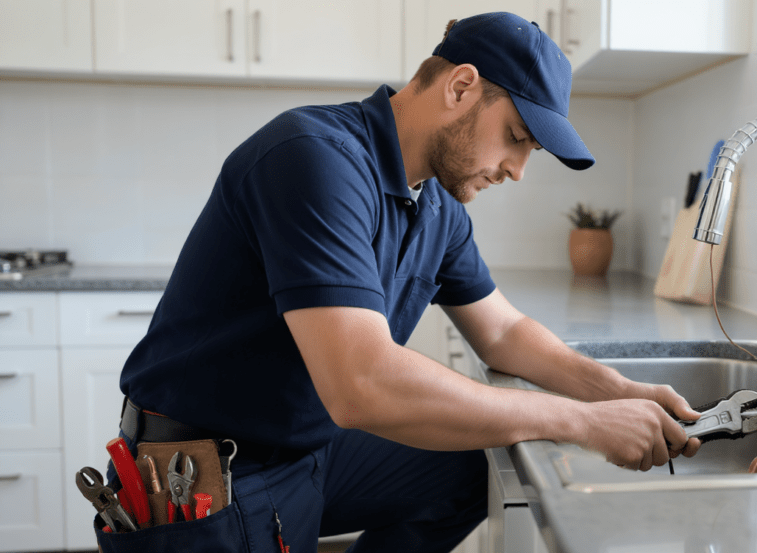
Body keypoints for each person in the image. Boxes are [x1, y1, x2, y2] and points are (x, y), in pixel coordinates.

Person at [107, 12, 702, 553]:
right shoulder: (314, 159)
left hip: (308, 450)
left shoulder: (437, 206)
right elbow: (361, 383)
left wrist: (619, 391)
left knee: (477, 466)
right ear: (461, 87)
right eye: (518, 137)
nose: (519, 170)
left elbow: (503, 331)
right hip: (207, 472)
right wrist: (579, 421)